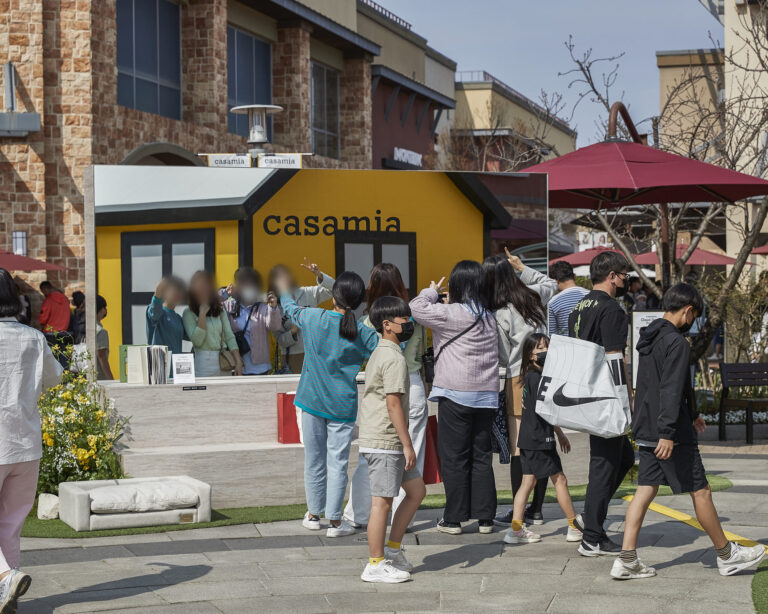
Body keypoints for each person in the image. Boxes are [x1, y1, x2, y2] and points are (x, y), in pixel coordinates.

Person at [612, 283, 766, 580]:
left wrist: (692, 414)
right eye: (694, 315)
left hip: (647, 425)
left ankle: (627, 559)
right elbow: (671, 389)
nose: (693, 321)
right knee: (701, 490)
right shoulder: (677, 343)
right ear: (688, 310)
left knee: (645, 489)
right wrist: (668, 432)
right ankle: (727, 555)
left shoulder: (648, 338)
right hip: (669, 432)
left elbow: (663, 385)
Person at [276, 271, 378, 537]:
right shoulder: (363, 332)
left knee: (314, 460)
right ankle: (334, 522)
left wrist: (284, 288)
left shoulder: (313, 317)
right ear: (358, 301)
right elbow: (390, 349)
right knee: (338, 464)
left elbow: (289, 307)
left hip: (311, 401)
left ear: (334, 296)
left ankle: (313, 515)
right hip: (342, 406)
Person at [410, 260, 498, 535]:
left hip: (455, 394)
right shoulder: (488, 316)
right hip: (486, 396)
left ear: (457, 285)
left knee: (454, 457)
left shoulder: (449, 313)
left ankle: (454, 519)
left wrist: (431, 291)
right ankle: (485, 518)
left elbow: (415, 307)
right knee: (481, 457)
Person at [345, 263, 427, 529]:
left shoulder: (368, 320)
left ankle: (357, 514)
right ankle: (400, 518)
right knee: (411, 456)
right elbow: (420, 353)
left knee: (369, 459)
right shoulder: (411, 316)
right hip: (410, 383)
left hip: (379, 388)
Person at [0, 268, 63, 612]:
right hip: (26, 444)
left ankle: (5, 577)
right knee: (10, 525)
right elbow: (53, 379)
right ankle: (6, 593)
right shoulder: (34, 338)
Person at [568, 251, 635, 556]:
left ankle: (590, 517)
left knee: (623, 457)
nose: (626, 280)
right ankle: (592, 537)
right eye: (624, 275)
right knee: (604, 465)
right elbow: (615, 358)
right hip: (605, 395)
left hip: (583, 390)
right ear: (611, 276)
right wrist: (627, 399)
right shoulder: (612, 309)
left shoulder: (578, 307)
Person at [484, 250, 557, 527]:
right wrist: (523, 268)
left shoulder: (501, 313)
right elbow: (551, 283)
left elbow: (503, 356)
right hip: (547, 374)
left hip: (518, 378)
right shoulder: (533, 296)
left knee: (520, 446)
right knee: (543, 440)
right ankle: (536, 509)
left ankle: (519, 509)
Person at [358, 296, 426, 583]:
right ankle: (375, 564)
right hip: (385, 441)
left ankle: (393, 550)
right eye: (404, 320)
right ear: (387, 325)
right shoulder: (394, 357)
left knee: (416, 492)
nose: (409, 324)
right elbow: (393, 403)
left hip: (387, 439)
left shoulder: (383, 351)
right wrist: (407, 444)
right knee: (382, 503)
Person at [504, 333, 584, 545]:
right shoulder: (537, 378)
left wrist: (559, 433)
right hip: (539, 440)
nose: (545, 351)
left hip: (529, 439)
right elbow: (548, 409)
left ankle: (516, 529)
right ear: (530, 354)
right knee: (560, 480)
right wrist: (557, 433)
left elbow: (543, 409)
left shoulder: (531, 377)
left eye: (547, 347)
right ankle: (574, 527)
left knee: (527, 482)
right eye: (539, 348)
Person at [270, 258, 335, 374]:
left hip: (315, 354)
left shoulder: (306, 293)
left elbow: (334, 289)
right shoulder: (274, 305)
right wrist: (293, 331)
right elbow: (280, 340)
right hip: (293, 358)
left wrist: (319, 275)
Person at [183, 270, 243, 377]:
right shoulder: (188, 313)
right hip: (203, 362)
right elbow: (197, 342)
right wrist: (202, 314)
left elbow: (229, 336)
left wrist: (238, 361)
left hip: (224, 359)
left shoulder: (220, 310)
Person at [223, 267, 282, 376]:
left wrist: (273, 308)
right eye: (244, 284)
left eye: (251, 285)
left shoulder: (263, 308)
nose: (248, 288)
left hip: (260, 368)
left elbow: (274, 326)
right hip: (236, 366)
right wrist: (225, 293)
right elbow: (211, 303)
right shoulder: (230, 306)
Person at [146, 277, 187, 355]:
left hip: (176, 362)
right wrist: (157, 294)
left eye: (179, 292)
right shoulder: (157, 312)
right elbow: (155, 311)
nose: (177, 294)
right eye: (174, 291)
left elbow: (193, 336)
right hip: (159, 361)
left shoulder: (178, 318)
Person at [547, 261, 589, 337]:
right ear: (574, 276)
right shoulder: (591, 295)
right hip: (591, 343)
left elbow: (550, 335)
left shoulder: (553, 302)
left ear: (555, 281)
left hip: (566, 344)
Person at [95, 295, 114, 380]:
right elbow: (101, 357)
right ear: (102, 310)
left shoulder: (84, 328)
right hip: (98, 377)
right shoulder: (100, 331)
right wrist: (110, 379)